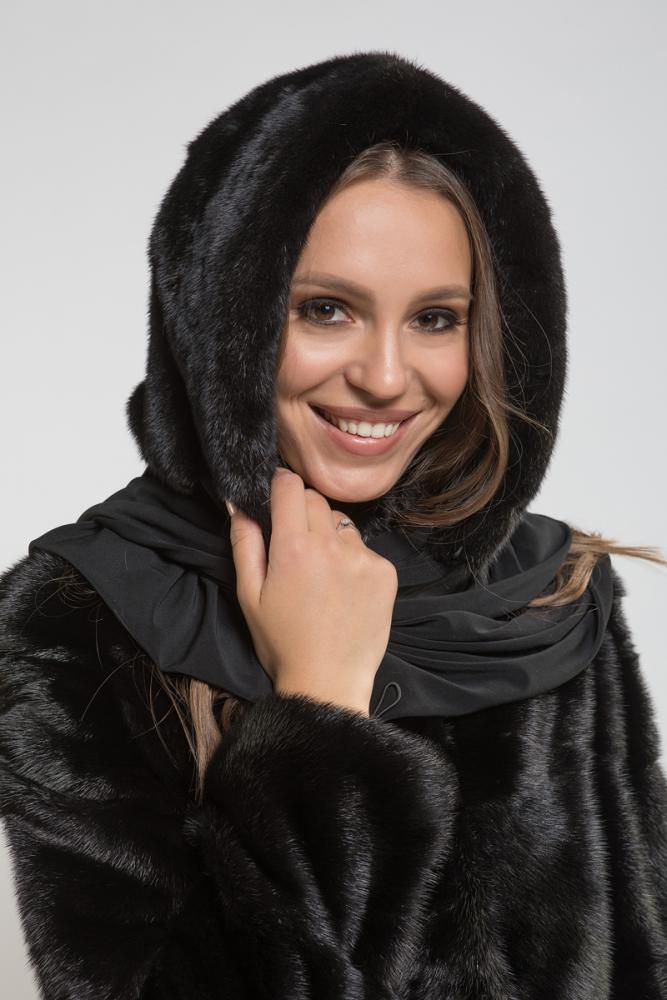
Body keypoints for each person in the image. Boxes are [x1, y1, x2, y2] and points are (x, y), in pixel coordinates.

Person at [1, 49, 666, 999]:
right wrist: (317, 708)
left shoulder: (550, 594)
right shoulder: (82, 618)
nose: (386, 378)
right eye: (325, 310)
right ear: (220, 316)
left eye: (435, 319)